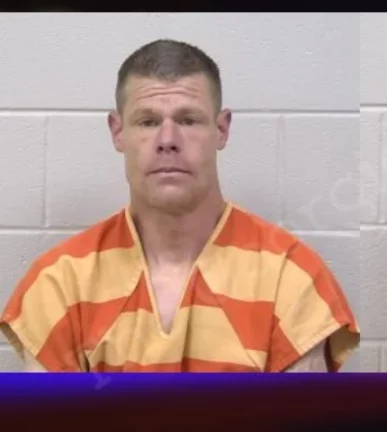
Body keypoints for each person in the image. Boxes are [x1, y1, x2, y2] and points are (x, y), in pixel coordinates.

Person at [0, 39, 360, 372]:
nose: (168, 140)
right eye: (147, 121)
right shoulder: (59, 282)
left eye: (189, 120)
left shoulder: (293, 277)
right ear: (118, 132)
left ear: (221, 129)